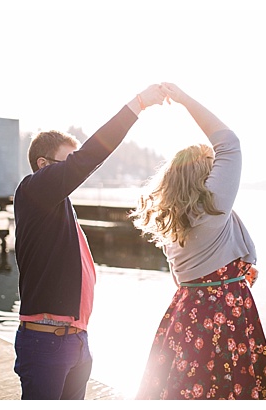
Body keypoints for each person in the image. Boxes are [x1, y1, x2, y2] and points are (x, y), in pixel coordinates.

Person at [13, 84, 168, 399]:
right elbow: (90, 157)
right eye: (67, 162)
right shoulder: (34, 190)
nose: (76, 169)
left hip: (76, 341)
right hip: (47, 342)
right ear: (43, 165)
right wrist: (137, 105)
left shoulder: (58, 205)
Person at [130, 83, 266, 400]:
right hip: (224, 313)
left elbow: (183, 277)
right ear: (206, 177)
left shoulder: (171, 222)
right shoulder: (213, 207)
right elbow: (229, 142)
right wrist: (183, 98)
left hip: (184, 312)